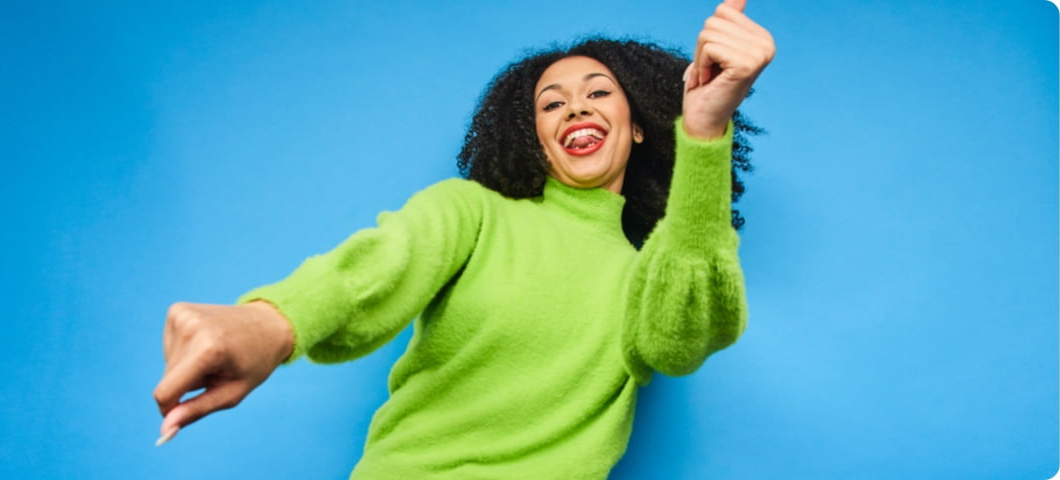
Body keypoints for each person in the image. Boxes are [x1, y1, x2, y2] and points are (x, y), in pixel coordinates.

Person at [153, 0, 774, 477]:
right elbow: (373, 269)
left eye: (597, 94)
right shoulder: (473, 213)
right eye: (551, 105)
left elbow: (683, 338)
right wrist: (267, 325)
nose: (576, 111)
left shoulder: (648, 274)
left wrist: (705, 128)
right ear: (532, 136)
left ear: (637, 127)